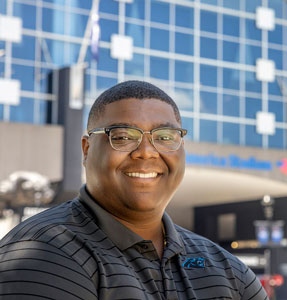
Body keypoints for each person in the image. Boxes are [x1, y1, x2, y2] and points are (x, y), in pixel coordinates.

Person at [0, 80, 268, 300]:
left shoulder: (226, 269)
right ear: (86, 149)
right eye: (124, 137)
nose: (146, 153)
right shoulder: (44, 252)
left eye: (164, 137)